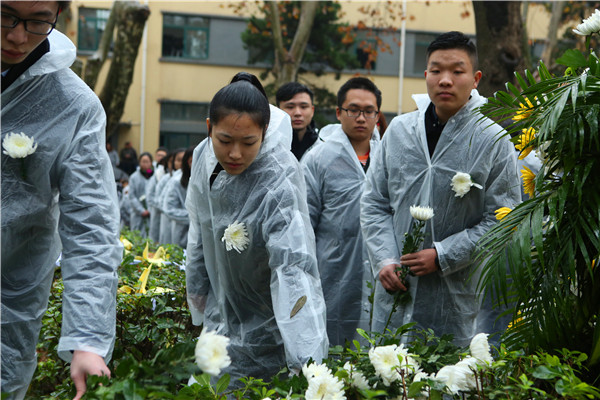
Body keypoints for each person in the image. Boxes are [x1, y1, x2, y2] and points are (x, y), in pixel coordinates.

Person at [360, 31, 521, 346]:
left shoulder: (493, 140)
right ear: (426, 76)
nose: (445, 80)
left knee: (445, 369)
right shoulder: (400, 131)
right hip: (395, 287)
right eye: (436, 70)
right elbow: (374, 201)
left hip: (453, 293)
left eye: (457, 71)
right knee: (386, 367)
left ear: (475, 79)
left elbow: (503, 218)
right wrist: (384, 259)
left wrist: (444, 254)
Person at [1, 2, 121, 399]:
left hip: (8, 296)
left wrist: (87, 339)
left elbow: (91, 226)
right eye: (5, 14)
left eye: (38, 21)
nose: (18, 36)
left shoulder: (73, 106)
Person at [185, 72, 328, 384]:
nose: (235, 154)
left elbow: (292, 266)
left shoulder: (278, 174)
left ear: (264, 132)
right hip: (221, 310)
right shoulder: (203, 157)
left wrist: (304, 355)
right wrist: (196, 295)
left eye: (248, 142)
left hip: (270, 319)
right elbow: (199, 230)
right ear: (209, 128)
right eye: (225, 141)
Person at [301, 77, 382, 346]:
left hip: (380, 267)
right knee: (332, 338)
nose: (361, 118)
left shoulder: (388, 156)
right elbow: (305, 221)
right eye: (353, 110)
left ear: (377, 115)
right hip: (331, 267)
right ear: (338, 113)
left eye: (368, 111)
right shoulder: (318, 158)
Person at [275, 82, 319, 160]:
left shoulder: (321, 143)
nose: (297, 113)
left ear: (312, 110)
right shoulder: (270, 144)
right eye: (290, 107)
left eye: (303, 107)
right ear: (278, 110)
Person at [163, 146, 193, 248]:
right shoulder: (176, 181)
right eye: (191, 161)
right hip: (182, 233)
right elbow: (168, 208)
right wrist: (194, 217)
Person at [158, 148, 184, 244]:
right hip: (170, 221)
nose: (181, 163)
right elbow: (161, 201)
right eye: (178, 160)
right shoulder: (172, 180)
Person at [146, 152, 170, 242]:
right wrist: (161, 206)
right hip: (157, 211)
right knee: (155, 239)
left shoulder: (171, 176)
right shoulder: (157, 175)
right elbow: (150, 196)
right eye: (159, 155)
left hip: (167, 214)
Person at [128, 152, 153, 236]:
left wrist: (150, 209)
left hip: (151, 214)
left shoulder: (154, 176)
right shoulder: (134, 177)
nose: (145, 164)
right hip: (137, 214)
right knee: (137, 236)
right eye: (143, 161)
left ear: (151, 163)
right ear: (139, 162)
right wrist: (141, 210)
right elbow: (132, 196)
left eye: (147, 161)